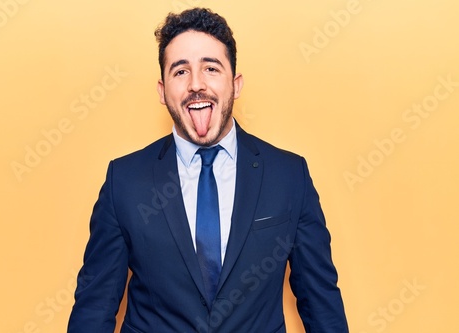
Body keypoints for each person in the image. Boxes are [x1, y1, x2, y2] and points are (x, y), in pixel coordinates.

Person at [68, 7, 349, 333]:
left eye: (211, 68)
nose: (196, 84)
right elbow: (94, 309)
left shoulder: (288, 176)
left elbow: (321, 304)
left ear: (236, 84)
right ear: (162, 91)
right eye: (180, 71)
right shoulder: (124, 181)